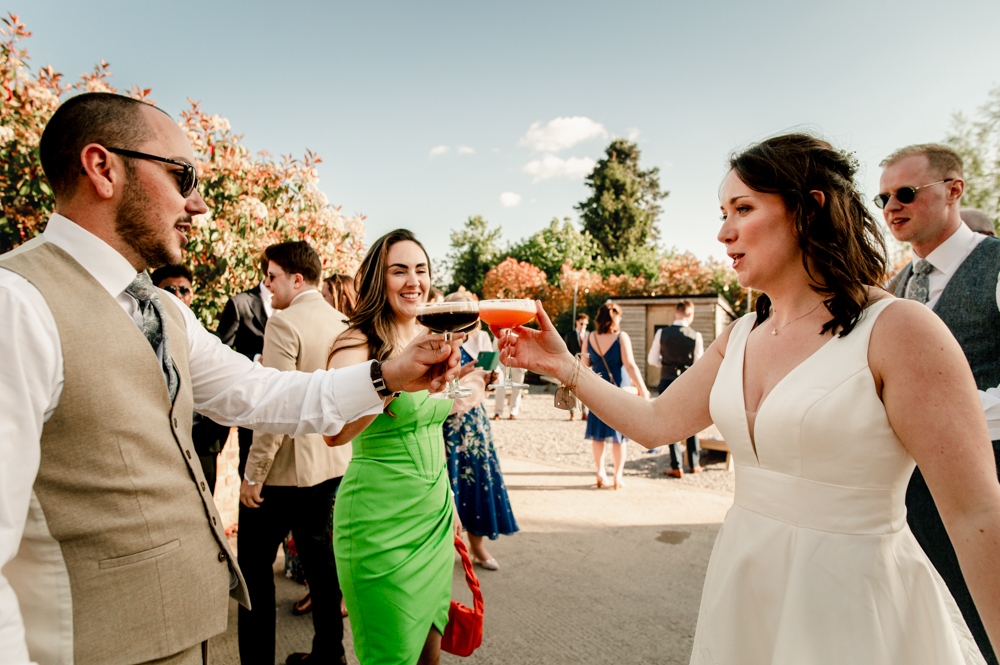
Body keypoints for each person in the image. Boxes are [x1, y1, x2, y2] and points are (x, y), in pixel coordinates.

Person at [496, 134, 1000, 664]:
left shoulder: (900, 329)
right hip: (745, 588)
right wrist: (564, 367)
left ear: (808, 209)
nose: (723, 232)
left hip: (853, 602)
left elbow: (976, 512)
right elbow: (654, 422)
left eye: (743, 208)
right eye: (723, 213)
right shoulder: (739, 334)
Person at [0, 92, 465, 664]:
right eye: (182, 176)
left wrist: (388, 374)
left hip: (179, 631)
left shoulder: (164, 310)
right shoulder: (16, 303)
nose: (197, 204)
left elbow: (261, 393)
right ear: (103, 168)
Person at [881, 143, 1000, 664]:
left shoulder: (995, 266)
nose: (892, 206)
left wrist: (949, 422)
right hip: (915, 491)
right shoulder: (896, 287)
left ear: (954, 191)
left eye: (906, 192)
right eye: (884, 197)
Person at [325, 229, 455, 665]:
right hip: (380, 525)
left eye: (421, 269)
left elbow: (431, 427)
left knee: (429, 656)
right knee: (390, 656)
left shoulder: (435, 338)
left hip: (434, 517)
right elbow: (334, 432)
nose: (413, 281)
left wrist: (451, 507)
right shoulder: (355, 342)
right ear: (378, 280)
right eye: (399, 271)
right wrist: (392, 379)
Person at [238, 241, 352, 665]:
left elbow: (275, 406)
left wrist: (254, 474)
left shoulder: (284, 323)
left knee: (253, 570)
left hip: (284, 472)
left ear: (297, 279)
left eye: (272, 276)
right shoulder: (343, 321)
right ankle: (330, 655)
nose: (267, 285)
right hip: (330, 464)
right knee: (321, 566)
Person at [443, 291, 519, 571]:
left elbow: (488, 379)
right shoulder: (440, 341)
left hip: (475, 421)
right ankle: (445, 548)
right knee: (450, 483)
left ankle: (477, 547)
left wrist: (491, 377)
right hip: (447, 423)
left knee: (478, 481)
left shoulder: (481, 338)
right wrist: (460, 375)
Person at [152, 264, 230, 493]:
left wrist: (215, 437)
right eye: (170, 289)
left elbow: (223, 388)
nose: (178, 295)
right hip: (160, 442)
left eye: (184, 290)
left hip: (203, 443)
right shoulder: (144, 337)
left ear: (191, 295)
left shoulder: (210, 338)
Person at [217, 249, 274, 478]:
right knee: (249, 472)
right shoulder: (240, 303)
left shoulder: (295, 306)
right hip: (252, 402)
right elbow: (221, 351)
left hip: (285, 400)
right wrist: (254, 359)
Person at [581, 301, 650, 489]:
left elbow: (585, 366)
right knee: (619, 436)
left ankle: (600, 472)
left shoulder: (590, 337)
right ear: (615, 317)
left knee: (598, 435)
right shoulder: (621, 337)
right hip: (619, 391)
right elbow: (630, 365)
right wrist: (642, 389)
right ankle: (617, 477)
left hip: (597, 391)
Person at [647, 300, 704, 476]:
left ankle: (676, 466)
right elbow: (698, 364)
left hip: (667, 380)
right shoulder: (696, 336)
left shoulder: (662, 333)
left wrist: (664, 364)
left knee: (670, 422)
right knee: (691, 422)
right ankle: (694, 464)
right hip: (687, 383)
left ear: (676, 313)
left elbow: (652, 359)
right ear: (690, 314)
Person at [563, 312, 590, 421]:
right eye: (582, 323)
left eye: (586, 324)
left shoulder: (589, 335)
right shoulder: (570, 336)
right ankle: (572, 413)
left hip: (586, 367)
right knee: (572, 390)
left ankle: (585, 412)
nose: (583, 326)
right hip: (573, 367)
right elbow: (566, 352)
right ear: (577, 322)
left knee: (586, 391)